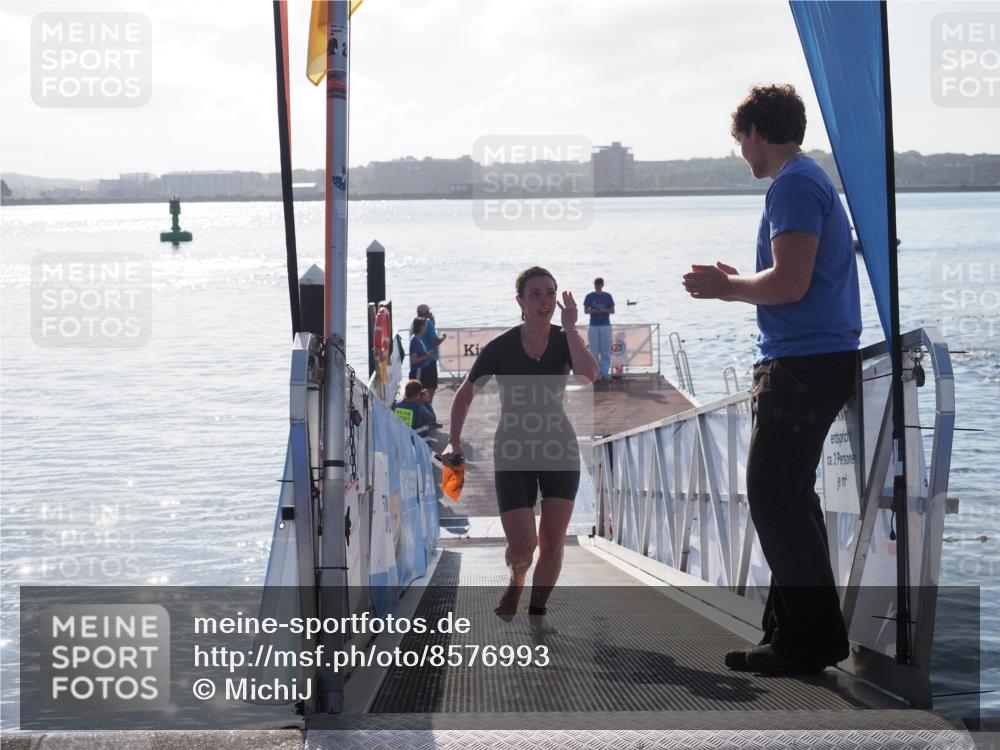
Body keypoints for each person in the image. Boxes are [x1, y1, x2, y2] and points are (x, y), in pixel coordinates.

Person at [682, 84, 861, 676]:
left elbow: (790, 283)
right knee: (788, 496)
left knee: (773, 495)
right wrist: (741, 281)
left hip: (803, 364)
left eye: (740, 140)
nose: (742, 152)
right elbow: (793, 277)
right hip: (812, 359)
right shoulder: (806, 181)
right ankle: (790, 633)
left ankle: (810, 639)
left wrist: (726, 287)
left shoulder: (794, 185)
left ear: (757, 133)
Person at [441, 266, 598, 627]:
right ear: (520, 301)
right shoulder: (501, 347)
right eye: (536, 294)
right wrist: (453, 439)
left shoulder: (565, 338)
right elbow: (465, 394)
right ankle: (517, 579)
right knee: (524, 545)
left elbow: (588, 374)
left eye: (550, 293)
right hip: (513, 450)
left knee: (553, 540)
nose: (545, 301)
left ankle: (536, 612)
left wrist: (572, 328)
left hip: (559, 448)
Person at [416, 304, 447, 422]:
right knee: (430, 388)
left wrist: (432, 322)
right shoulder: (427, 324)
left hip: (419, 363)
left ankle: (424, 413)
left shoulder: (414, 323)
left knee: (421, 388)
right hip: (428, 361)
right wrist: (443, 338)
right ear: (427, 312)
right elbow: (434, 341)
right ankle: (427, 415)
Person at [583, 277, 615, 381]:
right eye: (597, 285)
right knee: (594, 351)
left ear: (602, 285)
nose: (598, 287)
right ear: (594, 285)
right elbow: (586, 311)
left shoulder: (607, 296)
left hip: (605, 325)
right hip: (593, 325)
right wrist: (595, 311)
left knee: (606, 350)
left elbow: (612, 310)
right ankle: (596, 373)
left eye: (600, 285)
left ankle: (604, 373)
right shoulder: (589, 296)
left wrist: (603, 310)